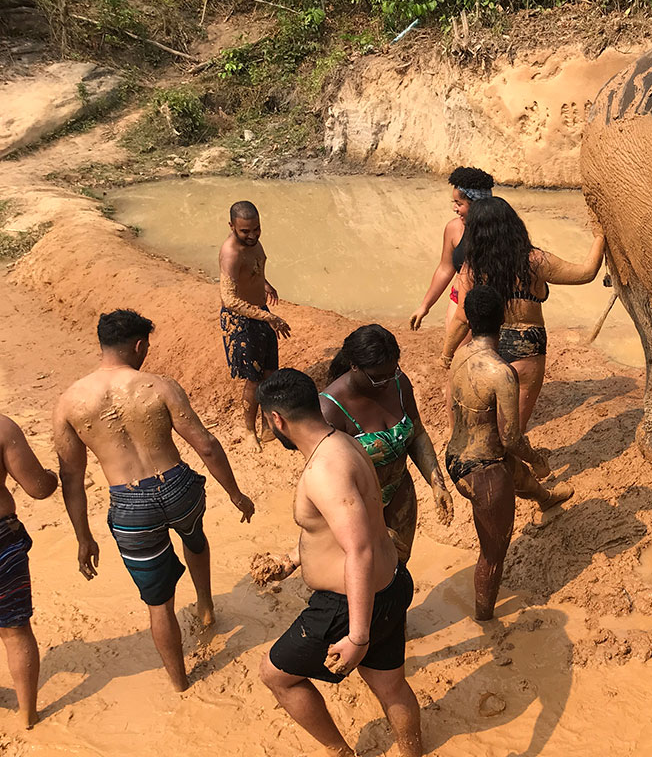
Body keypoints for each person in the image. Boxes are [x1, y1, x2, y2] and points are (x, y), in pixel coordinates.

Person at [53, 310, 255, 692]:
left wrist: (84, 537)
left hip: (131, 505)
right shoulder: (158, 386)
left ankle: (180, 684)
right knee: (194, 537)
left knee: (158, 603)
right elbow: (207, 445)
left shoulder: (69, 403)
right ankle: (206, 606)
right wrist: (235, 492)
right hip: (178, 488)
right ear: (140, 345)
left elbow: (72, 479)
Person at [254, 369, 422, 757]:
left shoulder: (323, 471)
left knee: (277, 676)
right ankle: (414, 752)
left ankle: (339, 752)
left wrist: (358, 637)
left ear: (276, 420)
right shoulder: (345, 443)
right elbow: (358, 520)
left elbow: (358, 550)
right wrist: (295, 558)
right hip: (391, 581)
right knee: (390, 684)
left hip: (349, 605)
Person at [441, 197, 606, 478]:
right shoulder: (535, 261)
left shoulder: (470, 268)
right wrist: (601, 235)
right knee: (511, 431)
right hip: (527, 344)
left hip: (485, 345)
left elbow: (461, 319)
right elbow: (586, 273)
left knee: (476, 423)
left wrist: (447, 353)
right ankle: (534, 465)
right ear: (513, 225)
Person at [446, 287, 572, 621]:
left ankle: (545, 498)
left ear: (469, 317)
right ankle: (484, 619)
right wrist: (538, 457)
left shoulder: (460, 355)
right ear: (503, 319)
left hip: (456, 455)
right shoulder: (501, 373)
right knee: (493, 553)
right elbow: (511, 437)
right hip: (483, 473)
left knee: (513, 472)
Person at [319, 324, 453, 562]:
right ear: (354, 367)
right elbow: (329, 487)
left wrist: (436, 483)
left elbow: (417, 433)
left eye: (392, 372)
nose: (386, 382)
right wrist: (374, 530)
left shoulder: (398, 383)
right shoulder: (329, 409)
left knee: (398, 567)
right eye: (378, 377)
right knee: (363, 575)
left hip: (400, 492)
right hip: (354, 509)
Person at [0, 414, 58, 729]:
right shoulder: (3, 427)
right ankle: (27, 715)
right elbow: (37, 487)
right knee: (14, 632)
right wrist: (52, 476)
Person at [219, 200, 291, 452]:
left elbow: (253, 270)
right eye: (245, 231)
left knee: (270, 373)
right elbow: (229, 300)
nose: (252, 236)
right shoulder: (231, 253)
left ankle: (266, 424)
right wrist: (269, 318)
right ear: (232, 226)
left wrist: (264, 284)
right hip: (240, 321)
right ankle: (249, 431)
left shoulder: (254, 244)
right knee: (253, 379)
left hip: (260, 313)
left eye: (256, 229)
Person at [409, 167, 495, 332]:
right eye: (454, 203)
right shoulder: (454, 229)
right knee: (455, 350)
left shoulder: (499, 233)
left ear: (476, 205)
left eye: (459, 204)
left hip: (491, 304)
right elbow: (445, 268)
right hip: (459, 299)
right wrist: (425, 306)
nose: (455, 209)